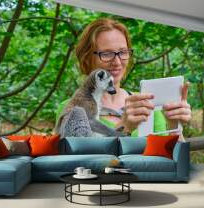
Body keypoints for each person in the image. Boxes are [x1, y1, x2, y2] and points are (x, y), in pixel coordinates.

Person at [58, 18, 191, 139]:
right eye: (107, 53)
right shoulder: (73, 108)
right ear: (87, 58)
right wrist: (124, 128)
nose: (117, 62)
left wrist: (175, 127)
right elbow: (78, 160)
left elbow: (173, 161)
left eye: (122, 52)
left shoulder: (148, 104)